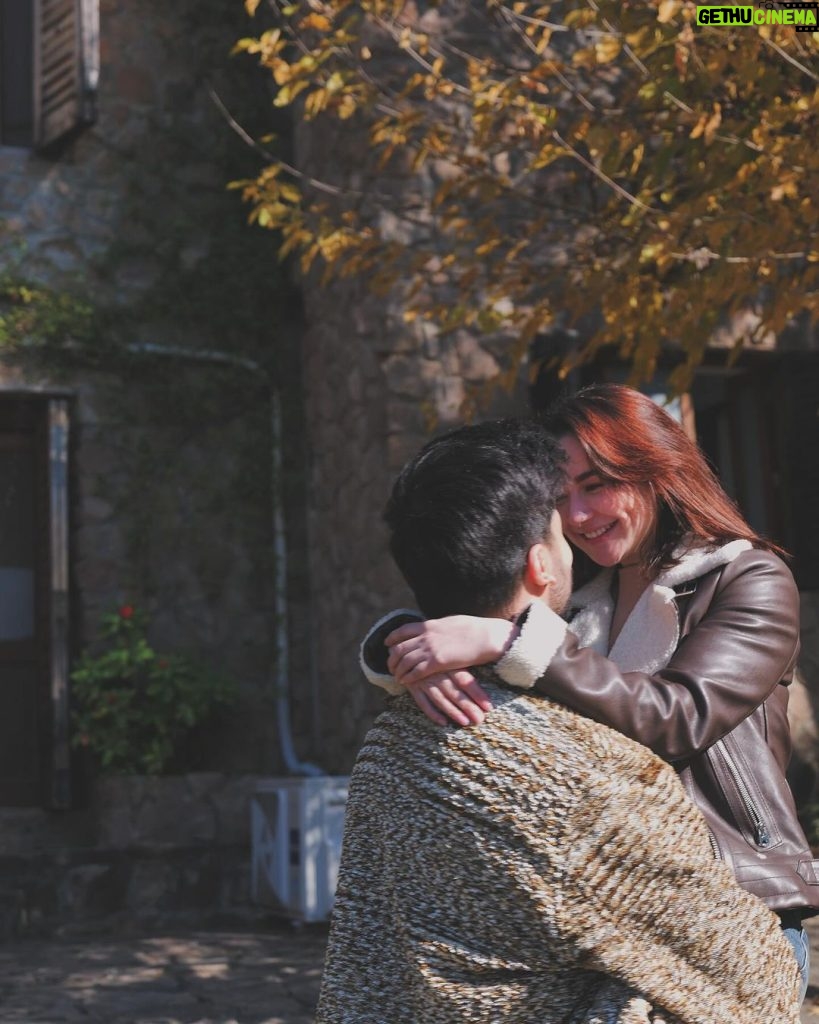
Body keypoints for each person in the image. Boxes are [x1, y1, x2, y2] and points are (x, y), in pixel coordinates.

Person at [317, 418, 801, 1024]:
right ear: (541, 562)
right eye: (560, 498)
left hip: (733, 892)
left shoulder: (745, 577)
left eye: (596, 485)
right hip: (617, 910)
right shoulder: (578, 589)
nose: (576, 514)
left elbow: (681, 715)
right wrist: (407, 649)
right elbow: (467, 577)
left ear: (657, 474)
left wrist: (509, 636)